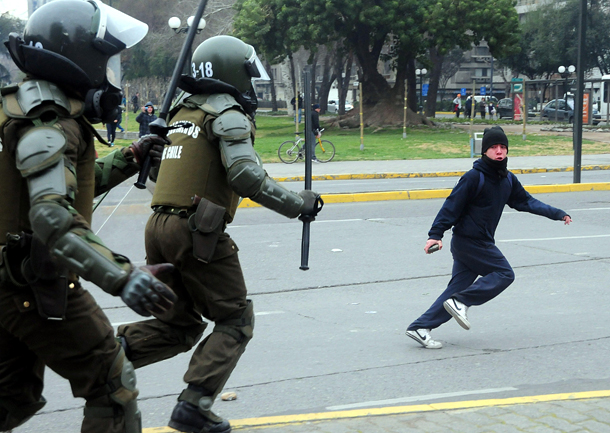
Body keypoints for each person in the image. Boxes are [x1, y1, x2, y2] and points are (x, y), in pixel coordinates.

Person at [116, 35, 322, 433]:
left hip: (159, 226)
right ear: (232, 73)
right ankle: (194, 406)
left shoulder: (181, 114)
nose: (250, 86)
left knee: (182, 325)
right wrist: (299, 204)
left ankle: (108, 356)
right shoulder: (227, 113)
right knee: (235, 319)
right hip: (199, 230)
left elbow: (163, 173)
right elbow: (245, 176)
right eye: (247, 76)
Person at [0, 1, 178, 432]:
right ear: (81, 59)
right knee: (112, 384)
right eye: (108, 63)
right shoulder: (51, 121)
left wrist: (131, 157)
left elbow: (59, 187)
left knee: (10, 398)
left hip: (10, 280)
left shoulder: (31, 106)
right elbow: (49, 214)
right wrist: (122, 274)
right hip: (31, 283)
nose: (112, 76)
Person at [405, 126, 572, 349]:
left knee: (455, 290)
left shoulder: (507, 179)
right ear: (484, 151)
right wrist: (435, 234)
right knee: (504, 274)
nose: (499, 151)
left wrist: (557, 213)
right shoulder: (474, 177)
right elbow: (451, 206)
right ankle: (461, 302)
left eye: (503, 147)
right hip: (470, 241)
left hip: (476, 243)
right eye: (494, 147)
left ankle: (420, 327)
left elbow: (527, 202)